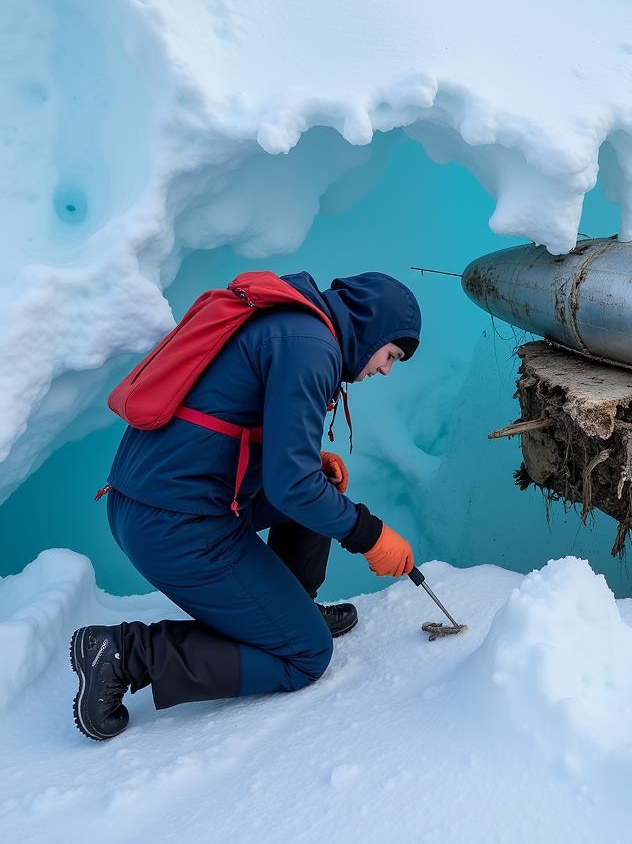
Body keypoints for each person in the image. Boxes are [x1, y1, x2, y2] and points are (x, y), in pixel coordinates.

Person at [70, 270, 422, 741]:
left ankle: (287, 608)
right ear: (373, 330)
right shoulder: (311, 347)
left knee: (321, 487)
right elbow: (292, 488)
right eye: (391, 355)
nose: (385, 369)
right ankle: (124, 653)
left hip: (163, 500)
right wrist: (370, 534)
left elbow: (230, 421)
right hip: (174, 523)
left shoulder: (295, 326)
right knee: (306, 656)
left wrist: (301, 459)